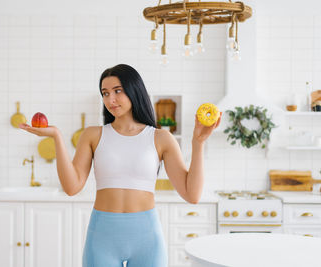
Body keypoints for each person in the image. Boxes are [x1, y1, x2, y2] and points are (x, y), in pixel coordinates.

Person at [19, 64, 221, 267]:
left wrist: (198, 143)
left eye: (117, 91)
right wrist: (57, 137)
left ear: (134, 90)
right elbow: (72, 187)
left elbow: (192, 195)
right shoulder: (92, 135)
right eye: (105, 93)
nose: (110, 100)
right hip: (102, 238)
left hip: (147, 238)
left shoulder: (161, 138)